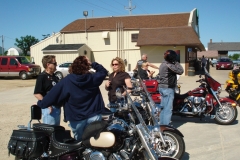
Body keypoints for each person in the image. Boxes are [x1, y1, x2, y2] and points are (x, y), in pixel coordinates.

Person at [37, 56, 108, 141]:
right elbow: (103, 71)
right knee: (93, 140)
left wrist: (41, 103)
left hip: (76, 118)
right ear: (87, 66)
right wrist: (92, 63)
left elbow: (52, 95)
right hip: (94, 115)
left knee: (80, 142)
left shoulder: (67, 81)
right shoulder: (92, 78)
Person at [34, 55, 61, 125]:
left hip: (57, 108)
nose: (56, 65)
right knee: (49, 132)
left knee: (56, 132)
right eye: (54, 63)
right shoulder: (42, 77)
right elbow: (37, 93)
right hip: (49, 109)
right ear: (48, 65)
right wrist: (48, 105)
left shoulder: (55, 77)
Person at [158, 50, 184, 125]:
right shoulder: (169, 65)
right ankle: (165, 127)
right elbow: (181, 71)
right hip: (168, 89)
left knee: (163, 108)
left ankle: (162, 125)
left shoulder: (162, 64)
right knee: (168, 109)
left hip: (163, 88)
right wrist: (176, 62)